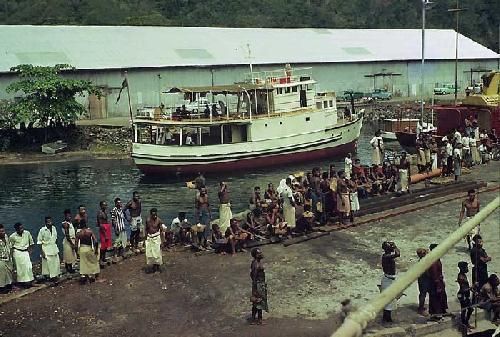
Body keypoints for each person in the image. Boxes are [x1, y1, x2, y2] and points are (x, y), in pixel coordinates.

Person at [380, 241, 400, 323]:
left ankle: (387, 317)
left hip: (389, 279)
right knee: (388, 300)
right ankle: (386, 318)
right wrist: (395, 246)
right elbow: (398, 254)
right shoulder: (386, 256)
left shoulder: (387, 256)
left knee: (390, 300)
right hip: (388, 280)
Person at [428, 243, 448, 321]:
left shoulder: (437, 258)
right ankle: (436, 314)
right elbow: (434, 274)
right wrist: (438, 285)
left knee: (441, 297)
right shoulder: (433, 261)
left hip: (439, 281)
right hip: (435, 283)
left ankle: (442, 311)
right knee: (436, 298)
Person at [37, 216, 61, 281]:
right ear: (45, 223)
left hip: (54, 247)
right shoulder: (42, 230)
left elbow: (56, 239)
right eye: (48, 222)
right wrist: (42, 252)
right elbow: (39, 242)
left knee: (56, 262)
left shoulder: (54, 228)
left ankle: (55, 275)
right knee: (48, 264)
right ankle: (49, 276)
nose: (50, 223)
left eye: (50, 221)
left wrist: (57, 247)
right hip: (46, 248)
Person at [249, 248, 268, 325]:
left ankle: (254, 318)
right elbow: (253, 276)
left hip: (259, 284)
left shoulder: (255, 262)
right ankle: (259, 320)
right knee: (259, 302)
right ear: (255, 255)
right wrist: (255, 288)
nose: (261, 254)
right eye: (259, 253)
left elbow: (251, 274)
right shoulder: (256, 264)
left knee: (257, 302)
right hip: (258, 284)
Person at [145, 208, 164, 273]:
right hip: (149, 237)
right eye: (153, 215)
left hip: (156, 237)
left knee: (157, 253)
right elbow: (146, 229)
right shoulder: (148, 220)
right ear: (151, 214)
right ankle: (153, 266)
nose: (155, 216)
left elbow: (161, 231)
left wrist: (162, 241)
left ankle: (157, 267)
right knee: (150, 253)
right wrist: (145, 239)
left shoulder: (159, 220)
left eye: (156, 214)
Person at [456, 261, 474, 331]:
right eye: (466, 267)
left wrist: (473, 291)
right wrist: (472, 287)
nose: (467, 269)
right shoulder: (461, 277)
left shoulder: (464, 275)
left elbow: (467, 286)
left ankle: (466, 323)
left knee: (470, 309)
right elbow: (464, 289)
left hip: (465, 294)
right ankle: (464, 324)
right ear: (462, 268)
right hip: (462, 295)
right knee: (464, 310)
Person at [97, 201, 112, 266]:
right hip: (103, 229)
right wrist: (105, 234)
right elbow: (100, 224)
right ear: (101, 206)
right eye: (104, 205)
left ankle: (104, 257)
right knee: (103, 246)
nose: (105, 206)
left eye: (106, 205)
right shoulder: (100, 213)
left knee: (106, 245)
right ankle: (100, 259)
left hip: (106, 228)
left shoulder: (105, 212)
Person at [416, 248, 431, 316]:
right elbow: (427, 273)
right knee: (423, 294)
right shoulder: (423, 262)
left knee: (422, 294)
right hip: (424, 280)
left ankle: (421, 307)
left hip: (421, 279)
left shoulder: (421, 261)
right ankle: (420, 309)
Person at [61, 209, 76, 273]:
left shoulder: (70, 223)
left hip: (72, 239)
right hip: (68, 241)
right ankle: (69, 268)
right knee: (68, 255)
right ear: (65, 216)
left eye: (70, 216)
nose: (69, 217)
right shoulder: (65, 224)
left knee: (71, 254)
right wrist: (72, 243)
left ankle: (70, 267)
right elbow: (67, 235)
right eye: (67, 216)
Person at [0, 224, 13, 293]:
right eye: (1, 231)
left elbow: (9, 245)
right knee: (2, 274)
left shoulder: (6, 236)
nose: (3, 232)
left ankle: (9, 285)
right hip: (1, 259)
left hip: (8, 257)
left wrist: (10, 254)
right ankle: (2, 288)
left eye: (3, 231)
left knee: (9, 272)